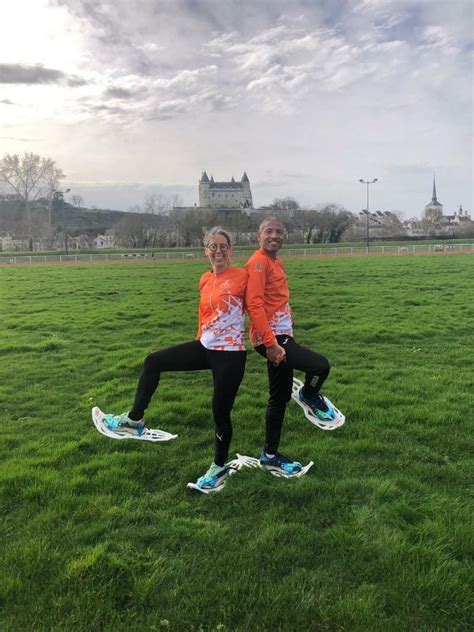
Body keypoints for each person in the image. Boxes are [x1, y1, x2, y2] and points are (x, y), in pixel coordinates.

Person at [95, 227, 248, 492]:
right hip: (204, 347)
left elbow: (258, 305)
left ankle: (219, 467)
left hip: (231, 355)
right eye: (213, 246)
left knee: (220, 412)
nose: (218, 251)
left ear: (230, 250)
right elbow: (205, 313)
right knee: (154, 361)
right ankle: (134, 421)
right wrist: (201, 335)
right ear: (206, 250)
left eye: (223, 246)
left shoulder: (243, 276)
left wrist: (271, 340)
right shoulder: (204, 279)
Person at [245, 217, 335, 477]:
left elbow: (277, 297)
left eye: (279, 232)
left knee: (279, 396)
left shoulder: (275, 261)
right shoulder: (259, 262)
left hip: (281, 335)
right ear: (258, 235)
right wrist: (271, 345)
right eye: (268, 232)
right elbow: (255, 305)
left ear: (284, 236)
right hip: (272, 339)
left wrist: (288, 316)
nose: (274, 236)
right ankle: (308, 395)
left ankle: (270, 455)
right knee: (320, 366)